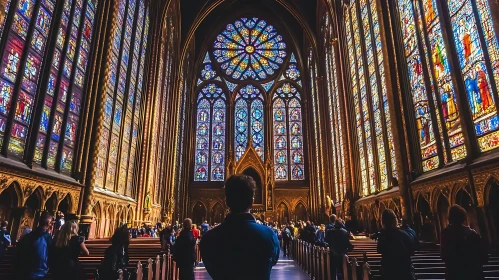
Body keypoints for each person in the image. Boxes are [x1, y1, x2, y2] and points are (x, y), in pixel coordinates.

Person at [200, 174, 280, 280]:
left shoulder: (208, 238)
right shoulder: (269, 235)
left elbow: (210, 266)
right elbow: (273, 260)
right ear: (252, 202)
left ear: (226, 201)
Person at [441, 205, 488, 280]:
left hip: (454, 273)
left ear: (450, 218)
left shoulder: (445, 234)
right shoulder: (473, 233)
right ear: (463, 217)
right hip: (473, 272)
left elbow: (443, 255)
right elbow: (484, 256)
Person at [377, 209, 415, 280]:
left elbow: (379, 249)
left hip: (389, 269)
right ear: (395, 220)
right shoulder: (404, 234)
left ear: (383, 221)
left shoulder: (383, 236)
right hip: (404, 269)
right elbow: (412, 250)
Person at [15, 212, 53, 280]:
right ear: (49, 223)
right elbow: (43, 258)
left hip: (23, 272)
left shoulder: (27, 236)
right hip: (38, 274)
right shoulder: (46, 237)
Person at [325, 214, 353, 280]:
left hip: (333, 253)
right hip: (343, 254)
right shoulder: (345, 232)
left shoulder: (330, 231)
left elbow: (326, 240)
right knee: (342, 269)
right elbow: (348, 243)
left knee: (333, 269)